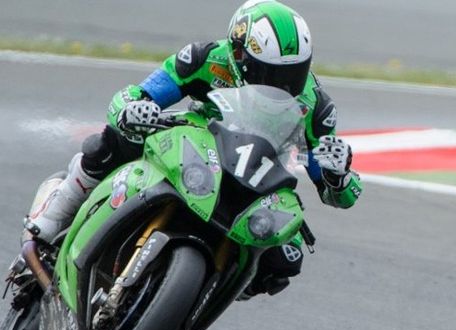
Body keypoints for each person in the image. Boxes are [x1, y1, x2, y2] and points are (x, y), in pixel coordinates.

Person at [25, 0, 363, 298]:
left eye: (293, 73)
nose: (283, 83)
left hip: (254, 177)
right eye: (271, 72)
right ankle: (50, 220)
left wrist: (337, 174)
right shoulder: (205, 58)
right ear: (240, 53)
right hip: (192, 146)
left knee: (285, 259)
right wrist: (134, 111)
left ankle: (194, 300)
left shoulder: (315, 105)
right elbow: (135, 96)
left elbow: (339, 193)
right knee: (109, 143)